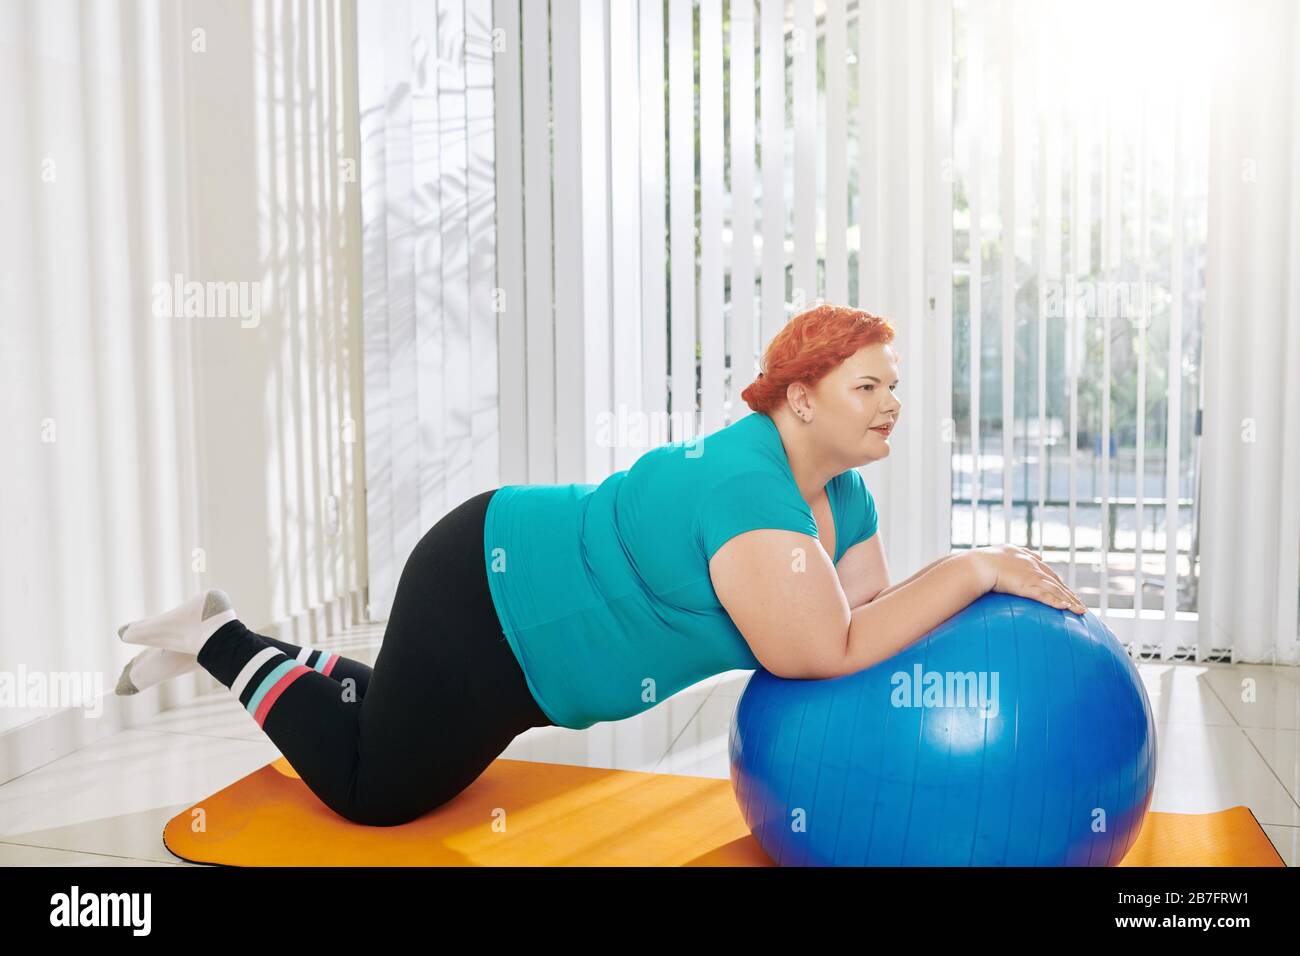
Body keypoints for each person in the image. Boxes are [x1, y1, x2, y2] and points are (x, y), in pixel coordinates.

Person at [115, 304, 1085, 827]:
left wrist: (966, 577)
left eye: (893, 386)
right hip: (490, 601)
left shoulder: (842, 495)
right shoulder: (750, 495)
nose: (888, 404)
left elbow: (864, 609)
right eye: (865, 385)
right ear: (796, 399)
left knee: (410, 727)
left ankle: (275, 646)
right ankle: (220, 636)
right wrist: (972, 568)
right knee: (378, 792)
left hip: (531, 655)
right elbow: (821, 650)